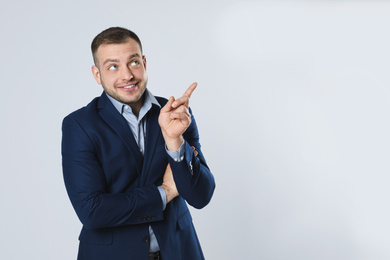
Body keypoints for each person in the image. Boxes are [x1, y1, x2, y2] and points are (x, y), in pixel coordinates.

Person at [61, 27, 215, 260]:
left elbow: (201, 196)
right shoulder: (80, 125)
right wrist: (165, 192)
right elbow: (92, 211)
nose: (127, 75)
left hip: (179, 251)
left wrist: (175, 142)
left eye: (133, 62)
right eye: (113, 66)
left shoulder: (174, 114)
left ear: (144, 62)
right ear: (97, 74)